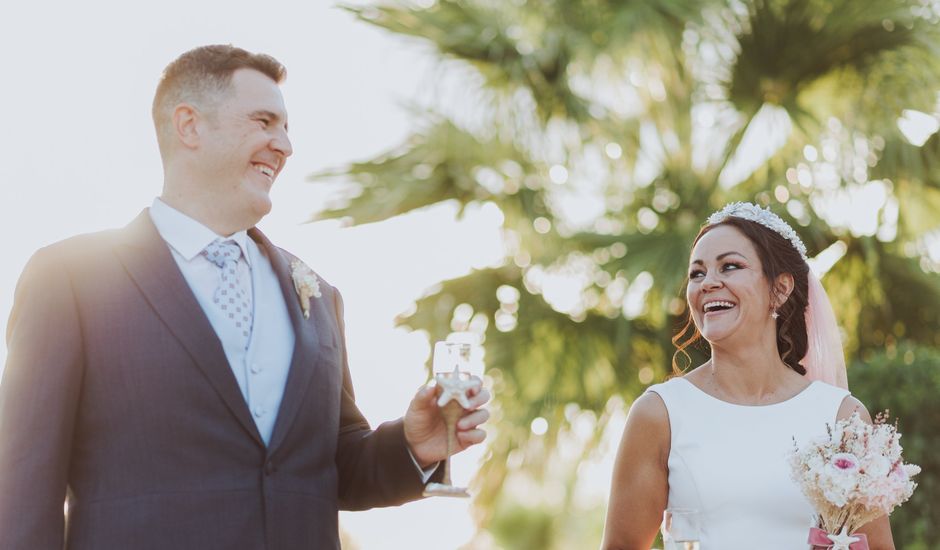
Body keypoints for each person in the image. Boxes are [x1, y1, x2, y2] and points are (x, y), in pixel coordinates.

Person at [0, 45, 489, 550]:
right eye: (264, 121)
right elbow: (23, 491)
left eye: (286, 127)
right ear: (189, 125)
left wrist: (412, 445)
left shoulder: (319, 295)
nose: (285, 145)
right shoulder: (71, 279)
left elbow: (331, 466)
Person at [600, 202, 894, 549]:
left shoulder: (841, 418)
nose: (708, 282)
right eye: (697, 273)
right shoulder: (659, 414)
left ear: (781, 289)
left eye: (730, 266)